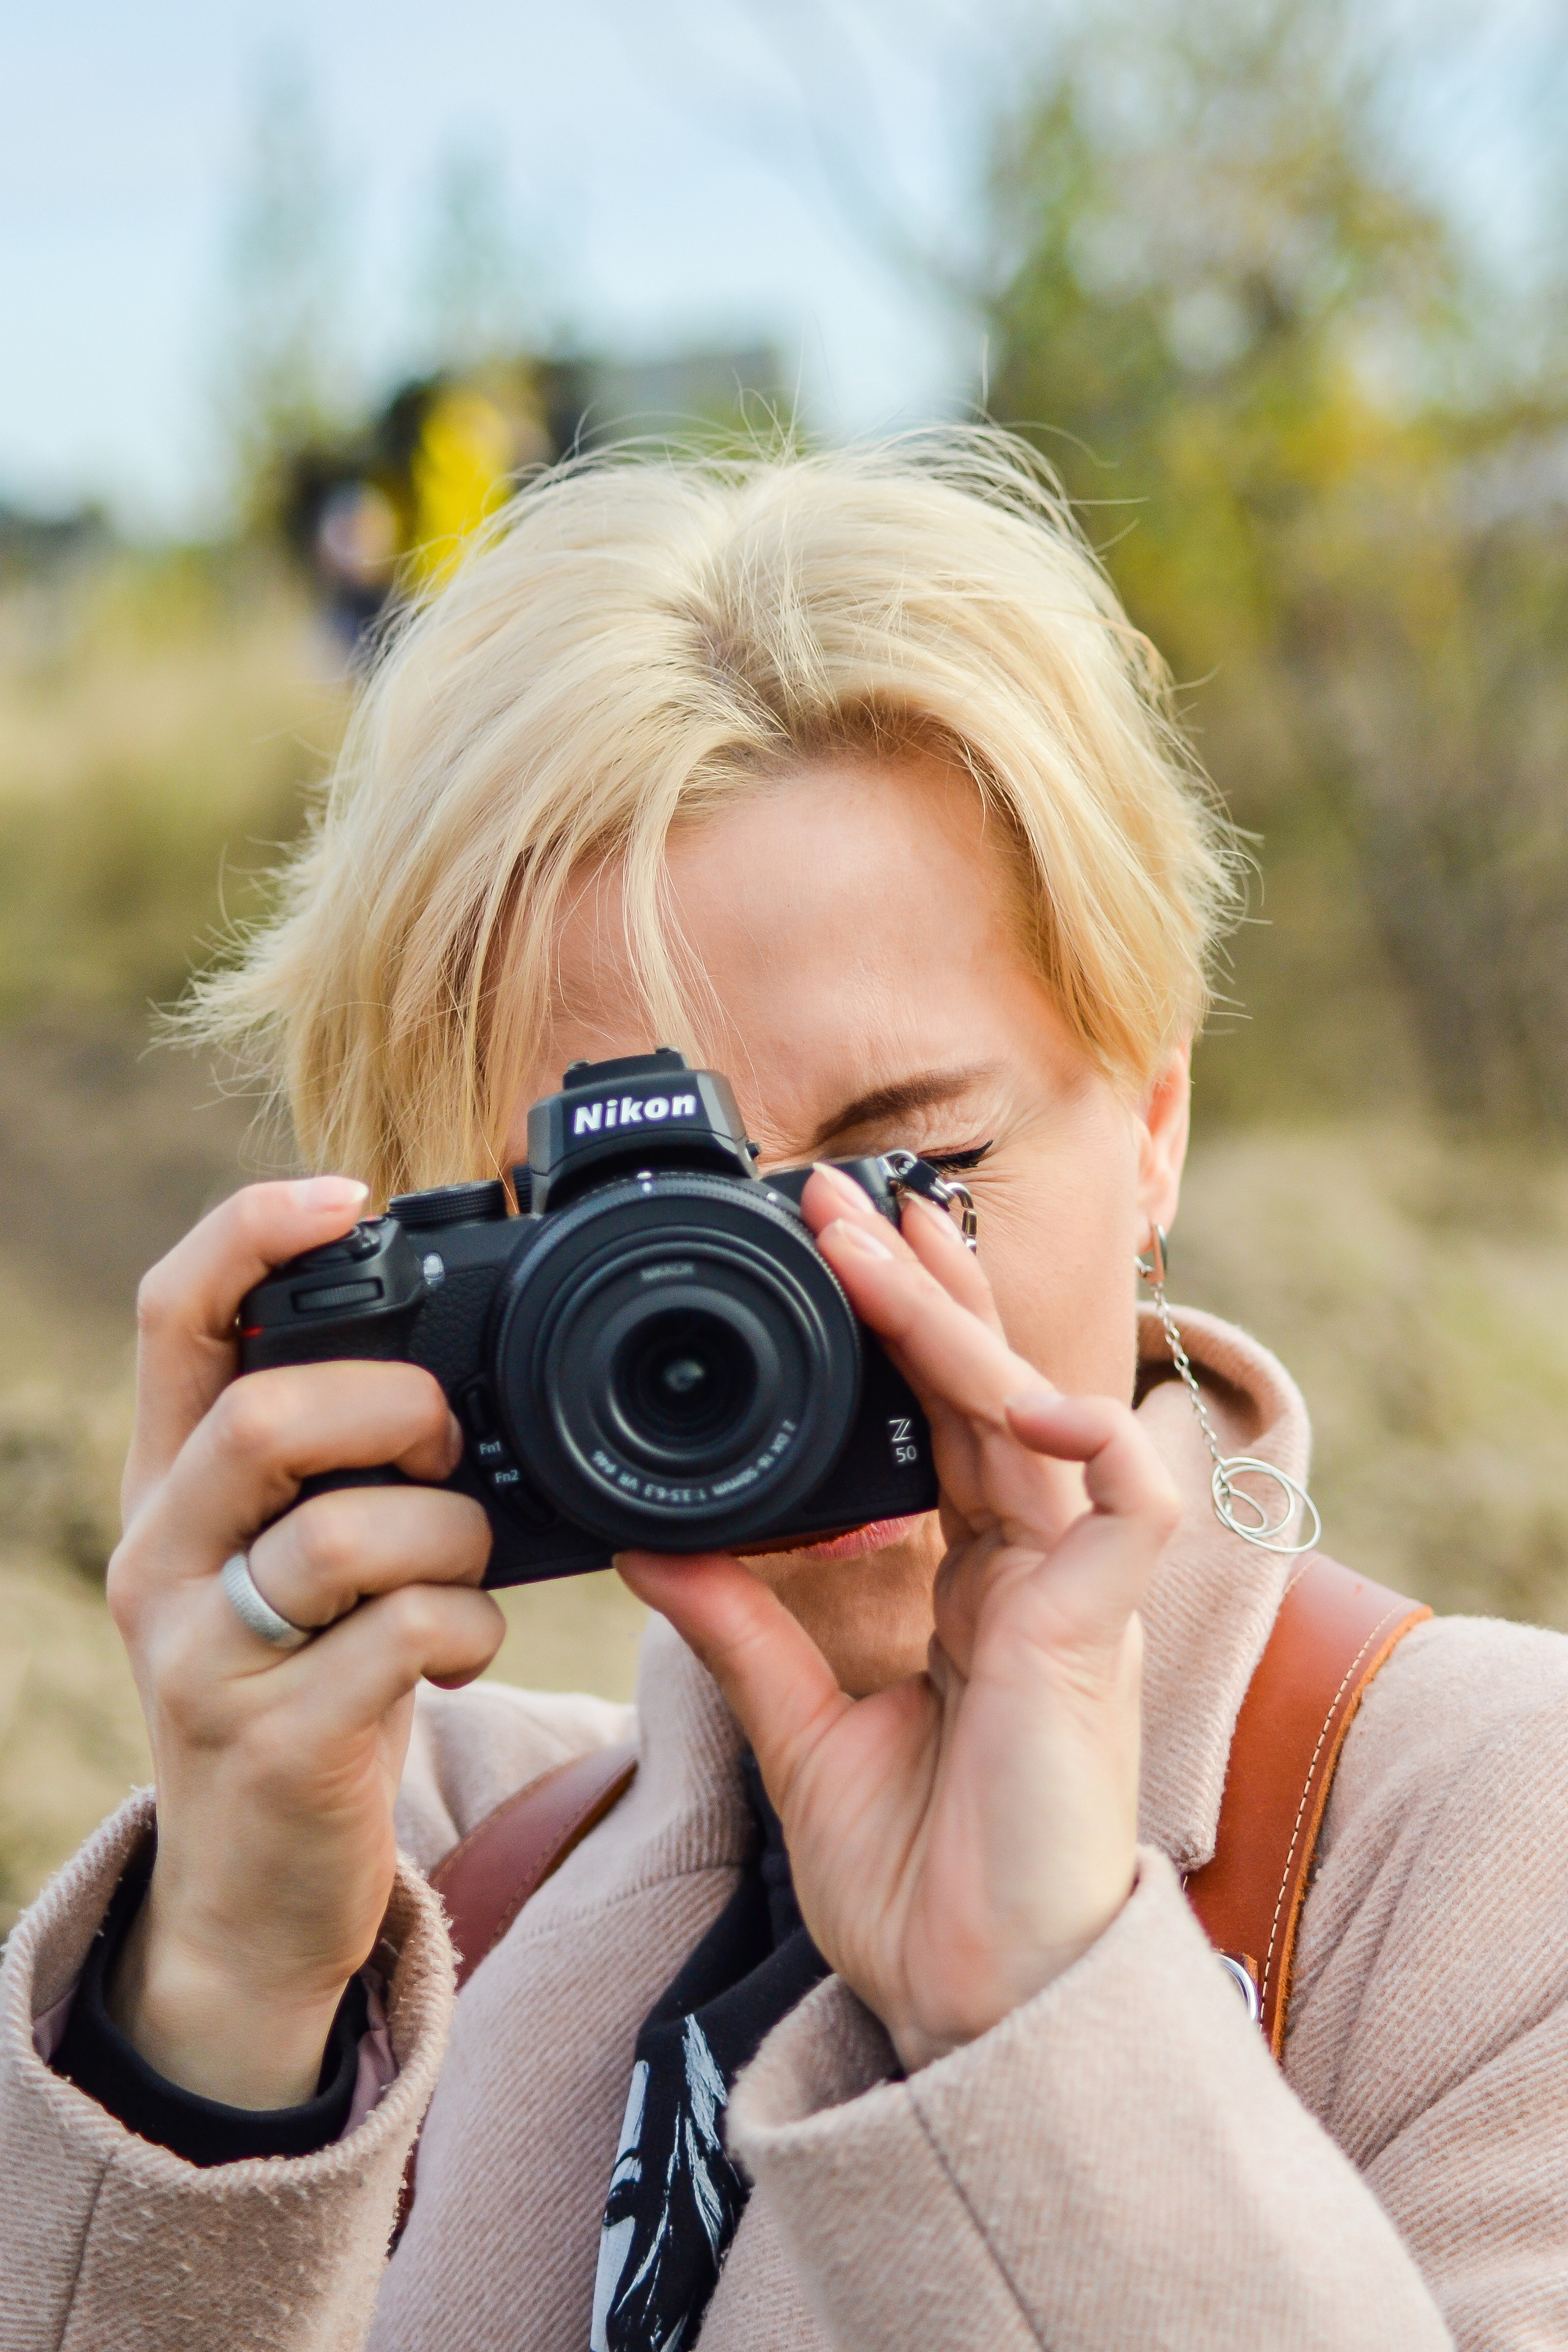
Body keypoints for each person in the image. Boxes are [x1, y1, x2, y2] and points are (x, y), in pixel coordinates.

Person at [3, 433, 1565, 2352]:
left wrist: (1044, 2003)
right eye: (620, 1230)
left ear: (1154, 1121)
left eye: (906, 1170)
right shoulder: (417, 1870)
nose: (781, 1305)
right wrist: (217, 2021)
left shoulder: (1491, 1858)